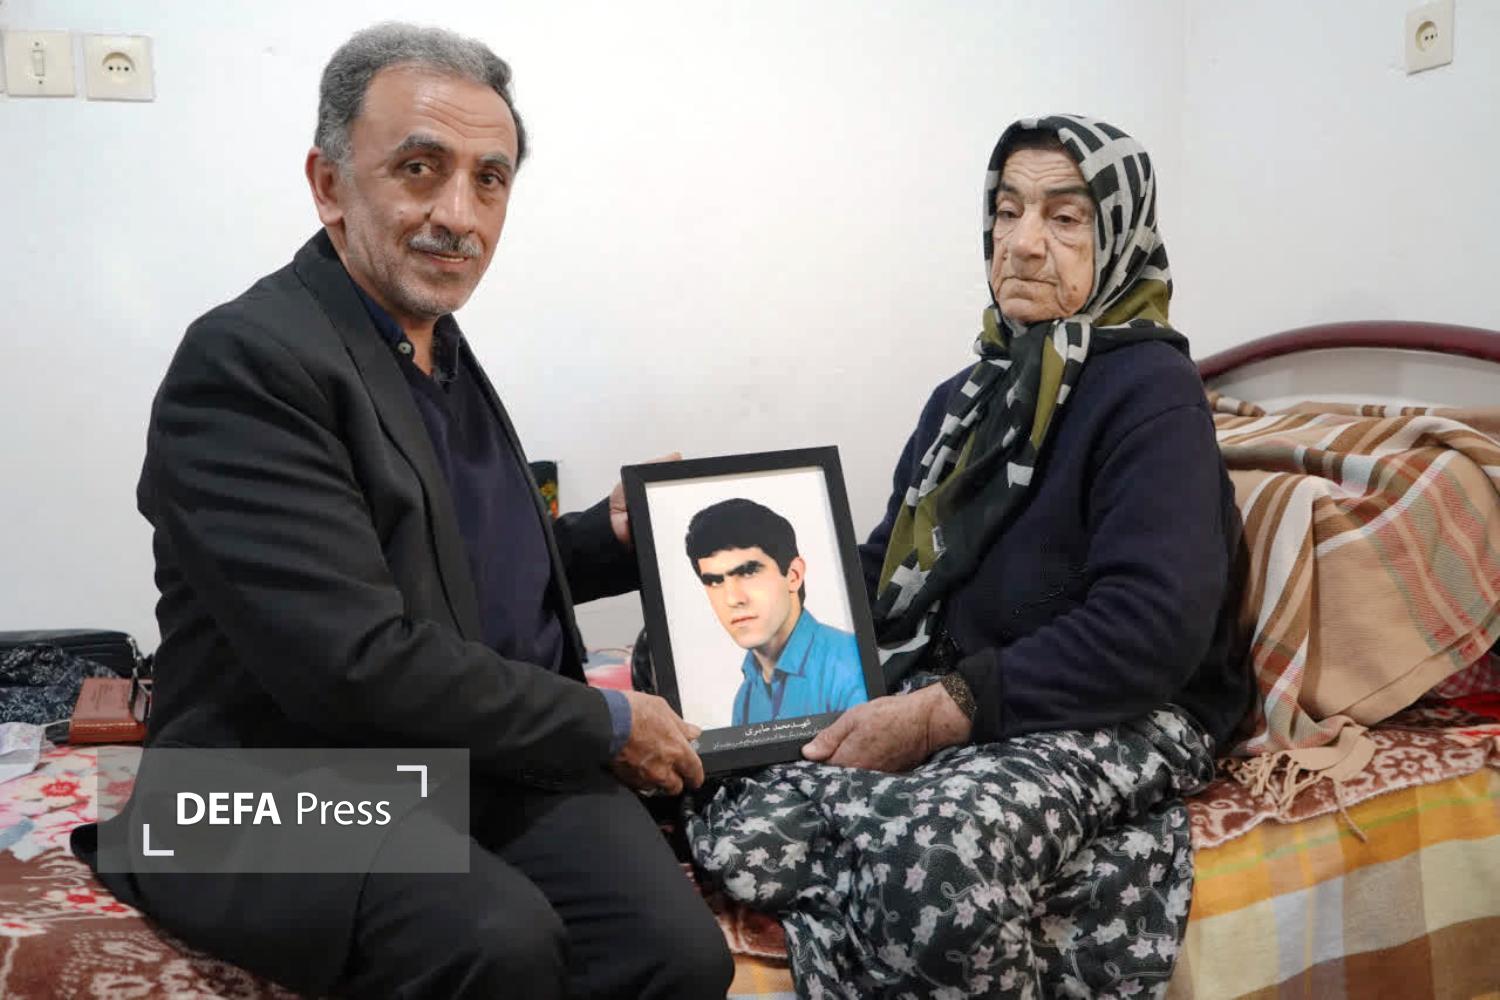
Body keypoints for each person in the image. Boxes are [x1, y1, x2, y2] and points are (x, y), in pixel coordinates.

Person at [70, 23, 732, 1000]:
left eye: (489, 180)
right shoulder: (247, 363)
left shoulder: (432, 343)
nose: (458, 215)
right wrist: (601, 721)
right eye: (420, 169)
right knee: (496, 940)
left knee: (677, 954)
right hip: (267, 785)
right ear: (329, 184)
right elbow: (353, 659)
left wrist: (605, 537)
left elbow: (449, 571)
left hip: (458, 756)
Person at [686, 115, 1252, 997]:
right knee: (732, 772)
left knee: (936, 859)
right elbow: (889, 570)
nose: (1022, 242)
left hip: (1128, 706)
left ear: (1121, 236)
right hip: (973, 687)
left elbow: (1149, 630)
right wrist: (723, 640)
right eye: (1007, 210)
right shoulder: (969, 397)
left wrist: (940, 712)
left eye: (1065, 218)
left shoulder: (1153, 394)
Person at [684, 498, 867, 726]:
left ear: (794, 575)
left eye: (748, 572)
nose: (733, 599)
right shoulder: (746, 698)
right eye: (714, 581)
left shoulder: (852, 665)